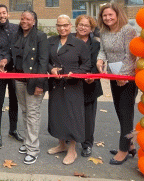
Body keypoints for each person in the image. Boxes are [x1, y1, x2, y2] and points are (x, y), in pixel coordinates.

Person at [96, 2, 137, 165]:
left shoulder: (128, 30)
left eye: (110, 15)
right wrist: (100, 60)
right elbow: (103, 50)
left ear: (118, 15)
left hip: (127, 78)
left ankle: (124, 150)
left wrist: (124, 75)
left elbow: (131, 55)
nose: (107, 18)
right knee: (119, 112)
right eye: (104, 15)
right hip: (114, 76)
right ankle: (130, 143)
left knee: (126, 113)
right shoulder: (104, 32)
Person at [47, 15, 91, 165]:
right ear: (56, 26)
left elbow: (86, 65)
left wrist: (76, 75)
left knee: (72, 117)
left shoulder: (79, 44)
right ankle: (61, 144)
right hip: (56, 85)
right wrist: (51, 69)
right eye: (59, 25)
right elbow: (45, 60)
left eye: (65, 25)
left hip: (73, 86)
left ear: (70, 26)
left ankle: (72, 149)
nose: (62, 28)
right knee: (57, 114)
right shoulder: (51, 41)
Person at [11, 10, 48, 164]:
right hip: (19, 79)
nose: (24, 21)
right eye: (22, 18)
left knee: (32, 114)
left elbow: (43, 61)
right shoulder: (17, 35)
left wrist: (40, 83)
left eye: (28, 19)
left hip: (34, 81)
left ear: (34, 21)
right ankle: (27, 142)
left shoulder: (40, 36)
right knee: (25, 111)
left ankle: (33, 149)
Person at [0, 4, 23, 149]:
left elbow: (18, 48)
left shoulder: (17, 29)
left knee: (14, 100)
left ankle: (13, 129)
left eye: (4, 13)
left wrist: (7, 60)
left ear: (8, 14)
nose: (2, 15)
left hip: (15, 69)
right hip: (0, 71)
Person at [74, 15, 103, 158]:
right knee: (72, 114)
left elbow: (97, 62)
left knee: (88, 117)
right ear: (76, 26)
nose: (83, 27)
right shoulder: (69, 41)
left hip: (90, 85)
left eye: (86, 25)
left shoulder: (96, 44)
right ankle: (71, 138)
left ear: (91, 28)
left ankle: (87, 144)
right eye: (80, 24)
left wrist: (92, 75)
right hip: (72, 85)